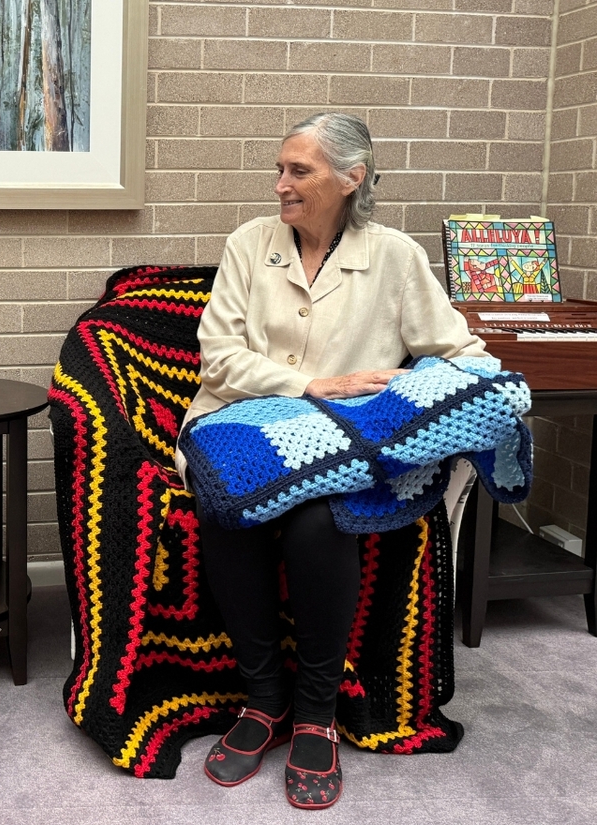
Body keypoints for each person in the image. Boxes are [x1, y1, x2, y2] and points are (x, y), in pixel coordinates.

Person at [178, 112, 486, 809]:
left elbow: (457, 352)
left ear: (352, 178)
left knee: (322, 522)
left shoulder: (397, 257)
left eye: (299, 171)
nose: (280, 183)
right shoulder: (248, 243)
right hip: (239, 423)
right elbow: (219, 358)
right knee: (227, 505)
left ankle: (315, 710)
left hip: (339, 446)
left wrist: (440, 398)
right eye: (280, 169)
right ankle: (263, 700)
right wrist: (312, 385)